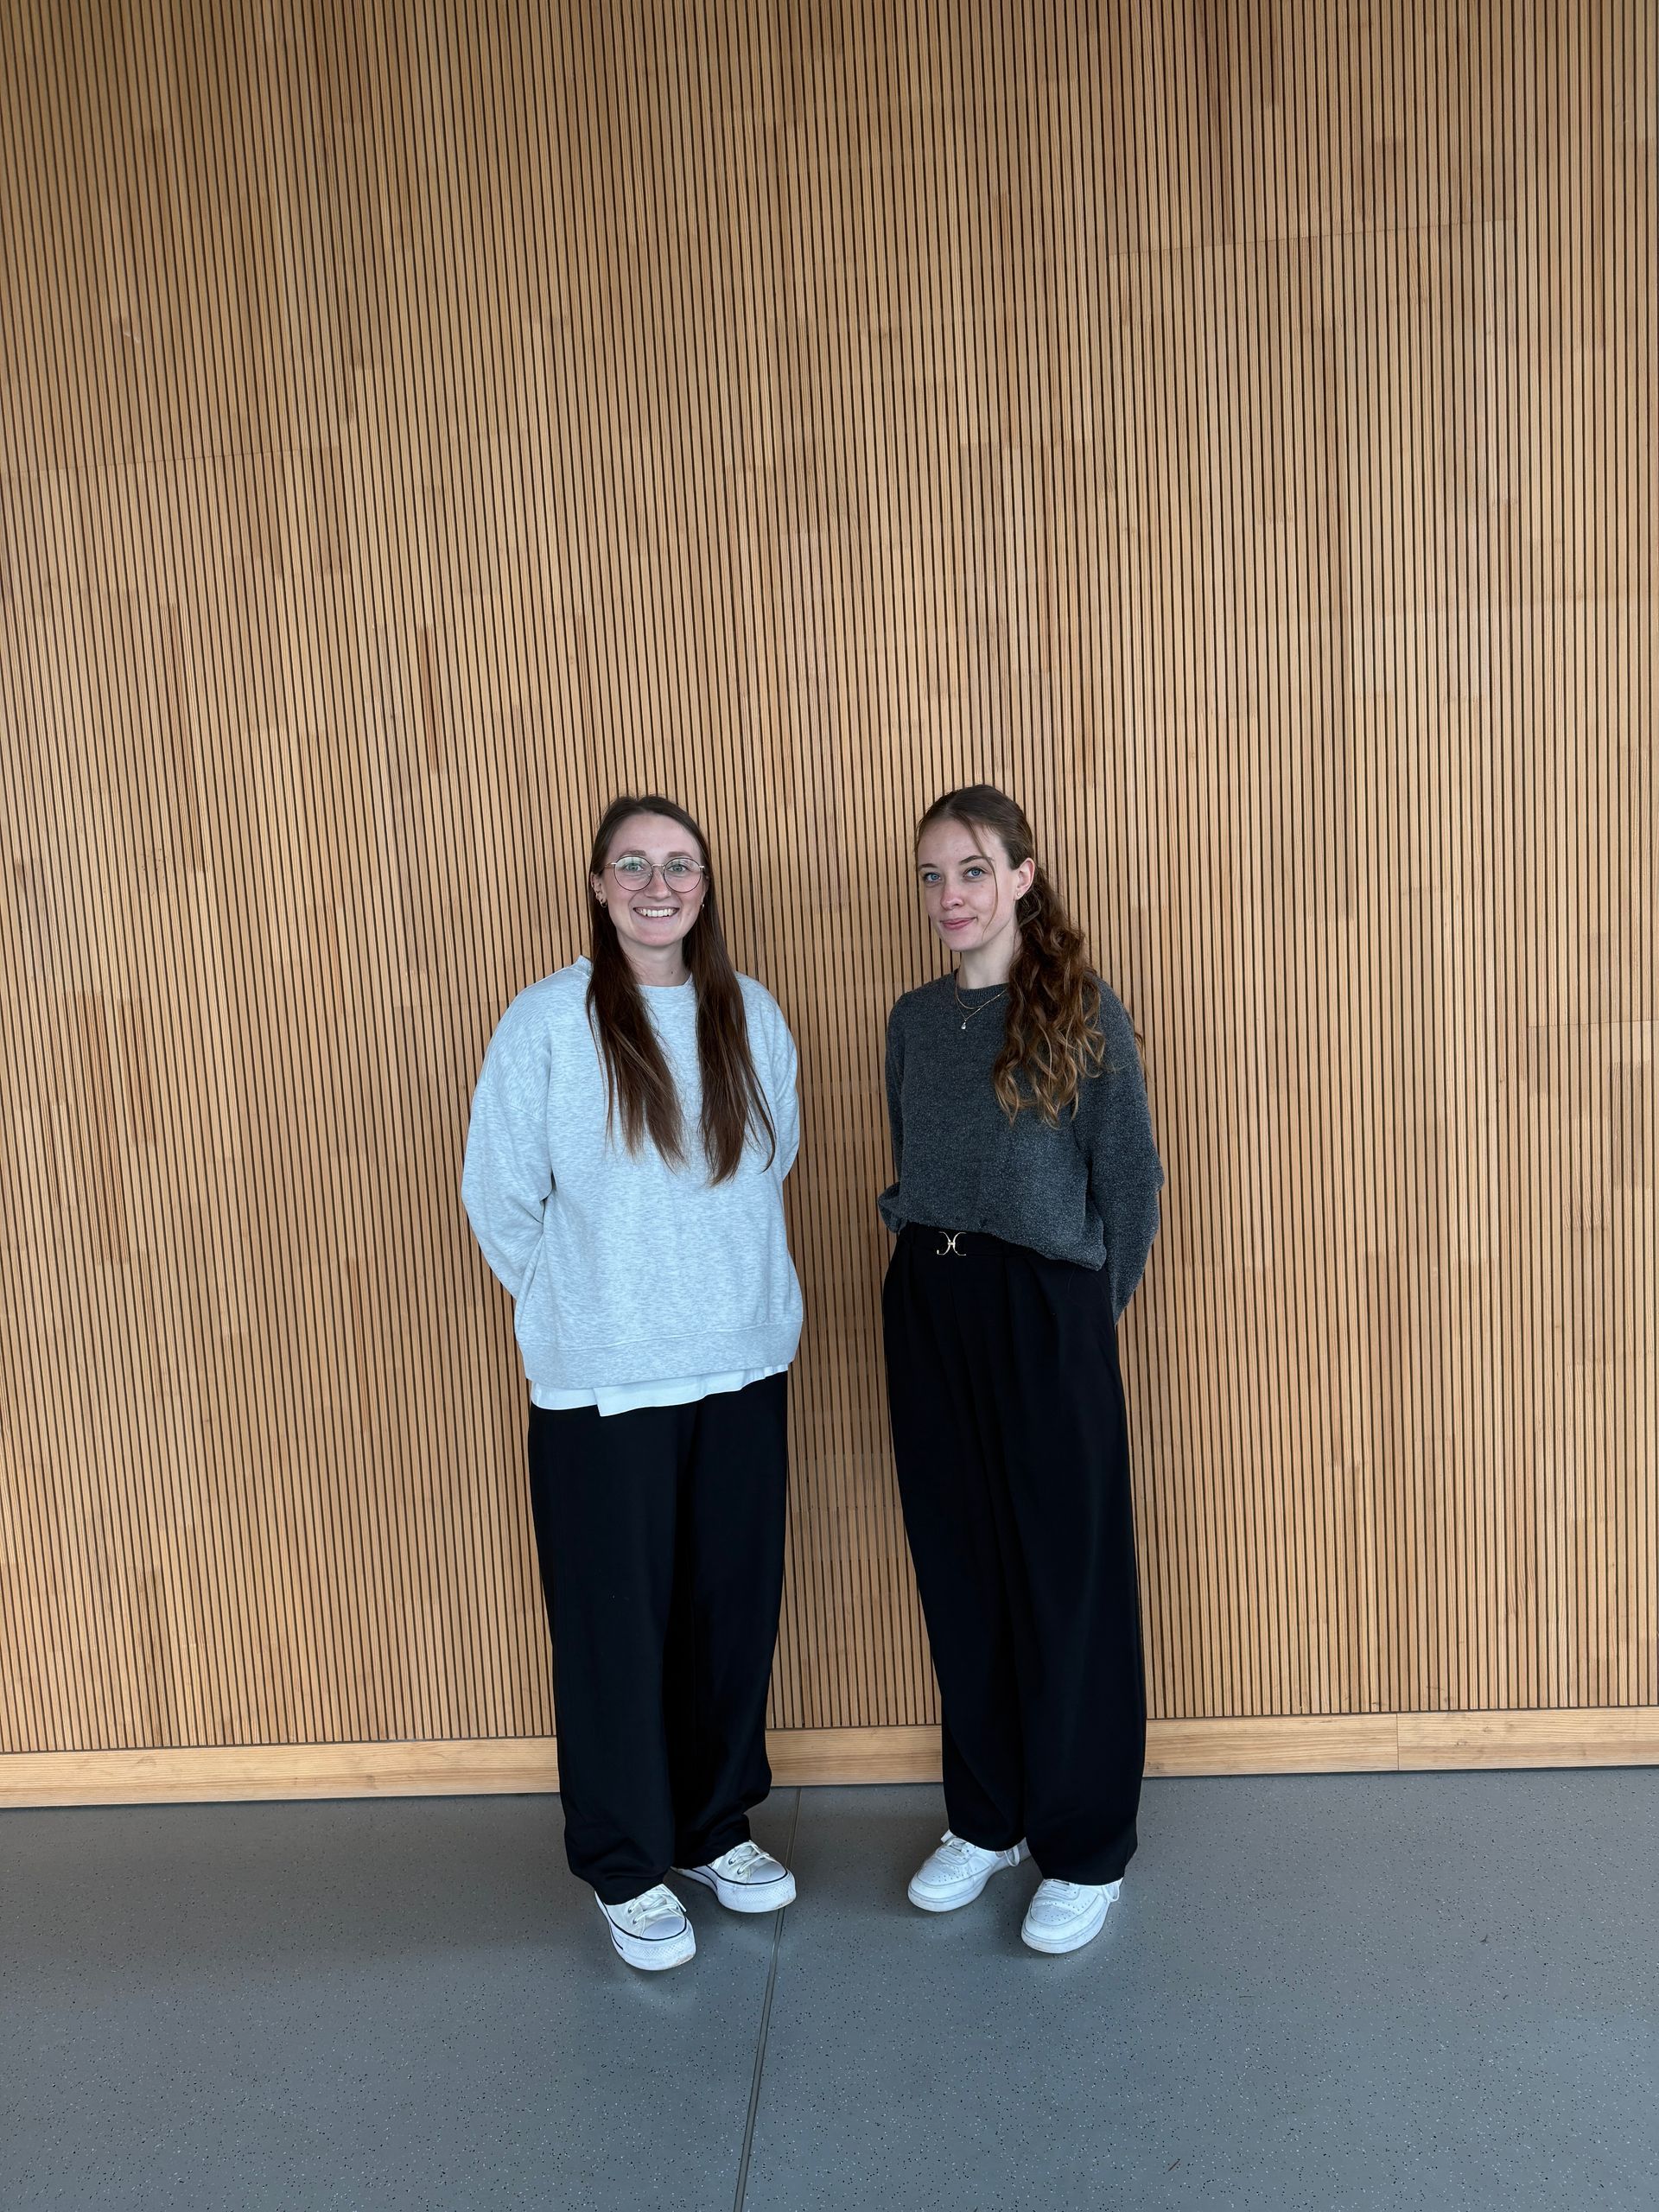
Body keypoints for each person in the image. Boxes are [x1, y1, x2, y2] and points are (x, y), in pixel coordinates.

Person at [461, 794, 803, 1973]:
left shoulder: (752, 1013)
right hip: (604, 1389)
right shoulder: (547, 1024)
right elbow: (500, 1200)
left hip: (742, 1364)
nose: (660, 885)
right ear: (601, 886)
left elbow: (771, 1169)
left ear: (705, 886)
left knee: (728, 1615)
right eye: (635, 864)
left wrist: (714, 1294)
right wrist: (588, 1305)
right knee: (616, 1629)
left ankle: (712, 1829)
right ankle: (624, 1862)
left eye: (681, 865)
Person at [879, 783, 1164, 1956]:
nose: (952, 896)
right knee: (961, 1566)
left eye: (973, 870)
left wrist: (1077, 1323)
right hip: (929, 1302)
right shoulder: (911, 1021)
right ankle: (988, 1817)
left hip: (1045, 1311)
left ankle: (1084, 1846)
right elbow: (915, 1154)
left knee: (1067, 1577)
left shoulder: (1083, 1011)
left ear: (1023, 876)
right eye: (933, 876)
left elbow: (1130, 1183)